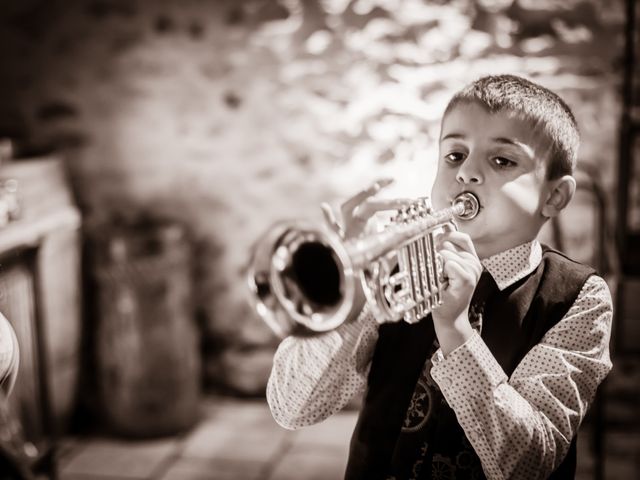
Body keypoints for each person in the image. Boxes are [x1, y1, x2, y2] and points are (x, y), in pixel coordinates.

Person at [266, 74, 613, 479]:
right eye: (454, 155)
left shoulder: (579, 298)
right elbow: (292, 408)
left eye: (502, 160)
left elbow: (530, 464)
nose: (466, 173)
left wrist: (456, 329)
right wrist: (349, 303)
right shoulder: (395, 269)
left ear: (553, 196)